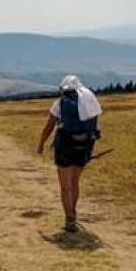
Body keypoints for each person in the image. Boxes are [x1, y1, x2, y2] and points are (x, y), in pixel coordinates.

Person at [37, 75, 102, 232]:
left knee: (65, 186)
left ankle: (70, 219)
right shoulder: (89, 100)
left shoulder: (60, 103)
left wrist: (41, 144)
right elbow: (94, 125)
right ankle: (73, 213)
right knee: (74, 182)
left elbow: (49, 126)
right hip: (84, 146)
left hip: (65, 147)